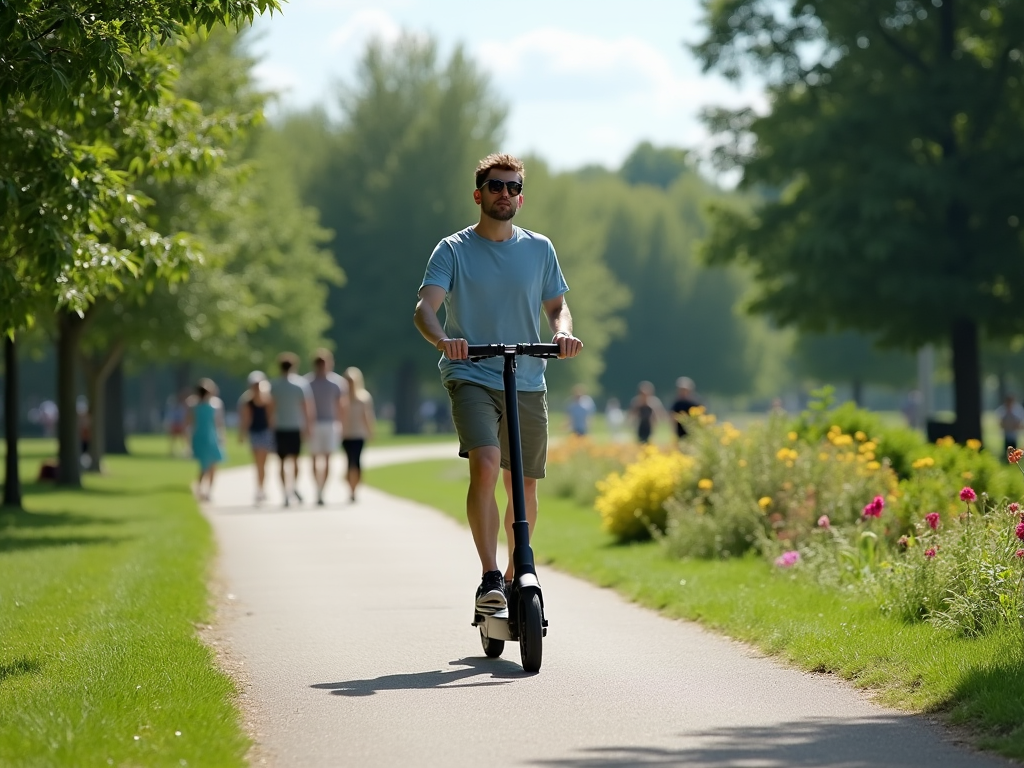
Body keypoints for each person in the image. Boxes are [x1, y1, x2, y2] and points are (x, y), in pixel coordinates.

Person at [413, 152, 583, 617]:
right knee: (487, 463)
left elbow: (556, 307)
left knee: (524, 486)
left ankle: (513, 574)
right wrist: (445, 340)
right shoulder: (453, 249)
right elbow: (425, 309)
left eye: (512, 188)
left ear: (521, 198)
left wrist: (562, 332)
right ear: (478, 194)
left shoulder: (539, 248)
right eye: (495, 186)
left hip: (527, 376)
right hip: (472, 372)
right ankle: (490, 575)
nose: (504, 194)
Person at [269, 352, 314, 507]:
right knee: (295, 461)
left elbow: (271, 408)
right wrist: (308, 427)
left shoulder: (274, 385)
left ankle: (286, 493)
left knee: (281, 462)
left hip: (280, 427)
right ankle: (292, 487)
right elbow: (307, 408)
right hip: (295, 426)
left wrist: (270, 425)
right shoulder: (301, 385)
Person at [306, 350, 349, 506]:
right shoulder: (307, 383)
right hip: (314, 424)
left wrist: (342, 425)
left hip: (330, 423)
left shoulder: (337, 383)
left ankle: (322, 490)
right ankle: (317, 488)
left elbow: (341, 406)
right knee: (314, 459)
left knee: (327, 459)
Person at [238, 370, 275, 505]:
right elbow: (246, 419)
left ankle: (262, 488)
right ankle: (259, 489)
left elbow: (271, 418)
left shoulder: (268, 400)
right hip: (255, 433)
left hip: (265, 432)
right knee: (258, 463)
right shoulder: (247, 401)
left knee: (263, 463)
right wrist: (242, 434)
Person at [186, 378, 226, 502]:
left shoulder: (197, 405)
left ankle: (205, 490)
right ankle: (203, 490)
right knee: (207, 465)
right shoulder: (200, 405)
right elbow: (219, 423)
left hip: (206, 436)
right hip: (205, 437)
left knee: (208, 465)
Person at [340, 366, 375, 503]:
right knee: (349, 462)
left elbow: (367, 417)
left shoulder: (363, 397)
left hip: (358, 434)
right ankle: (351, 487)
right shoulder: (343, 398)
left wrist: (370, 431)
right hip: (346, 434)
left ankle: (354, 488)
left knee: (356, 462)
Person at [628, 381, 664, 445]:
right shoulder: (637, 402)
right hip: (640, 426)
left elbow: (659, 415)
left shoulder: (654, 402)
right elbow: (631, 415)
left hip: (650, 427)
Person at [670, 376, 701, 447]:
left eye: (684, 390)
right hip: (679, 433)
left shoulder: (694, 403)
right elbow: (672, 418)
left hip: (692, 433)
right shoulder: (677, 404)